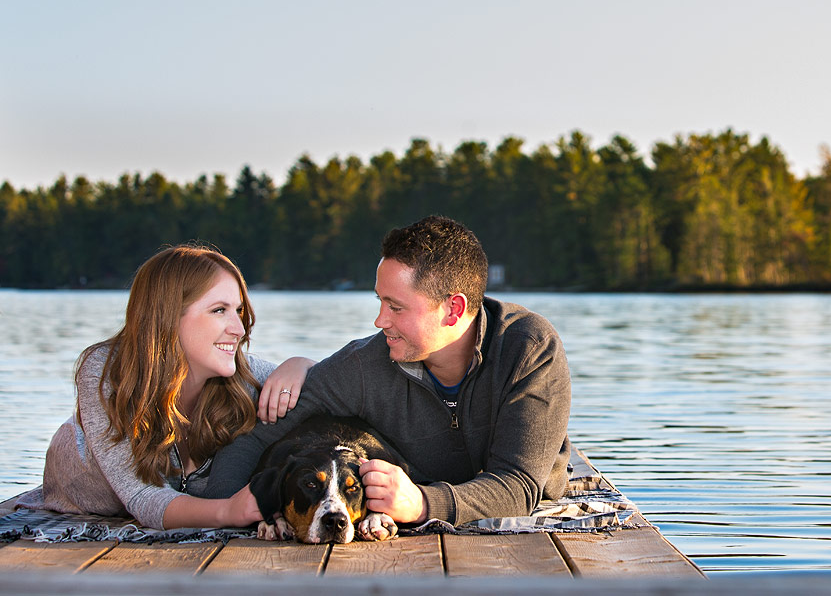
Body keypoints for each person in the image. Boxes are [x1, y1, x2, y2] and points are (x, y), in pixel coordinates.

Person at [205, 215, 571, 528]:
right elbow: (252, 441)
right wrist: (226, 513)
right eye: (380, 302)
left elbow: (518, 486)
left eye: (395, 307)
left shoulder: (528, 349)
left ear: (453, 310)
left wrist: (422, 504)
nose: (380, 321)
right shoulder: (363, 366)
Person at [16, 244, 314, 530]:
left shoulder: (242, 377)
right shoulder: (106, 370)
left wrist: (301, 365)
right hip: (81, 496)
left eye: (238, 310)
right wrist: (227, 511)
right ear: (168, 316)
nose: (239, 328)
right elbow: (142, 496)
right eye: (219, 310)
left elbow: (332, 387)